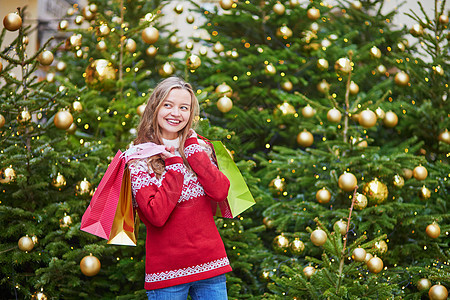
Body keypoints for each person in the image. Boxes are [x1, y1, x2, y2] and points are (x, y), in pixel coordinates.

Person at [127, 76, 232, 300]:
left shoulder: (200, 147)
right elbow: (156, 215)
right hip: (167, 274)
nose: (176, 113)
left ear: (190, 114)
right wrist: (174, 166)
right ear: (154, 108)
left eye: (184, 107)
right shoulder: (138, 158)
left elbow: (220, 192)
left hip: (211, 265)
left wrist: (194, 153)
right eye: (168, 105)